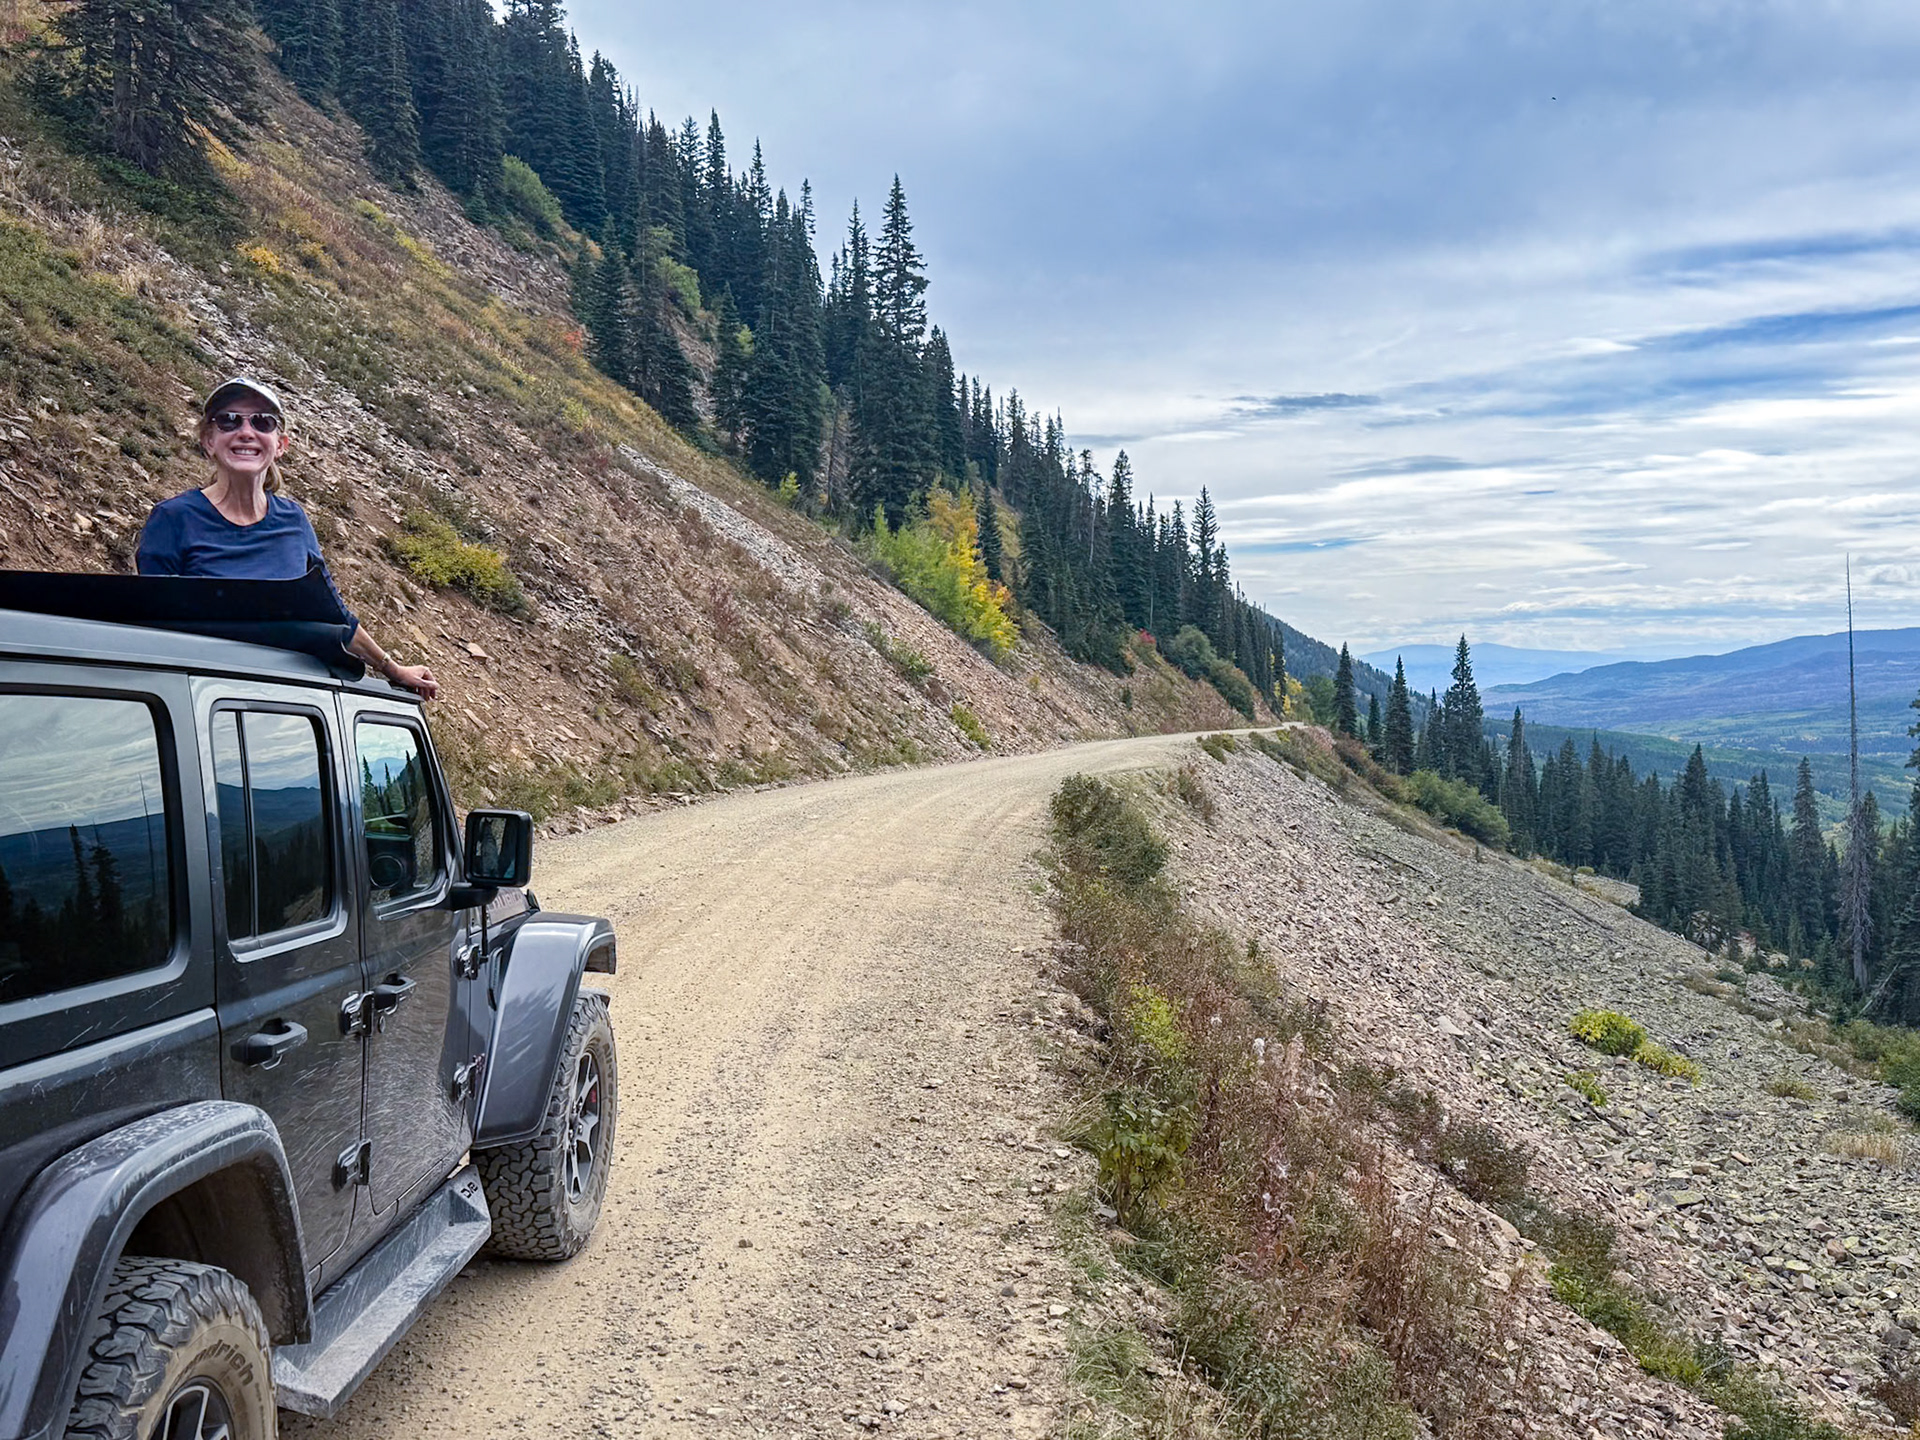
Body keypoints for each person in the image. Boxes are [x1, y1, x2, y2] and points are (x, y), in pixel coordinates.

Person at [136, 377, 438, 699]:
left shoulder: (293, 521)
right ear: (208, 440)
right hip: (206, 700)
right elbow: (156, 629)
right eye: (228, 420)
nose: (246, 432)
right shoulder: (173, 520)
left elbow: (333, 614)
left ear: (280, 445)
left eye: (263, 422)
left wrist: (393, 669)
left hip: (286, 707)